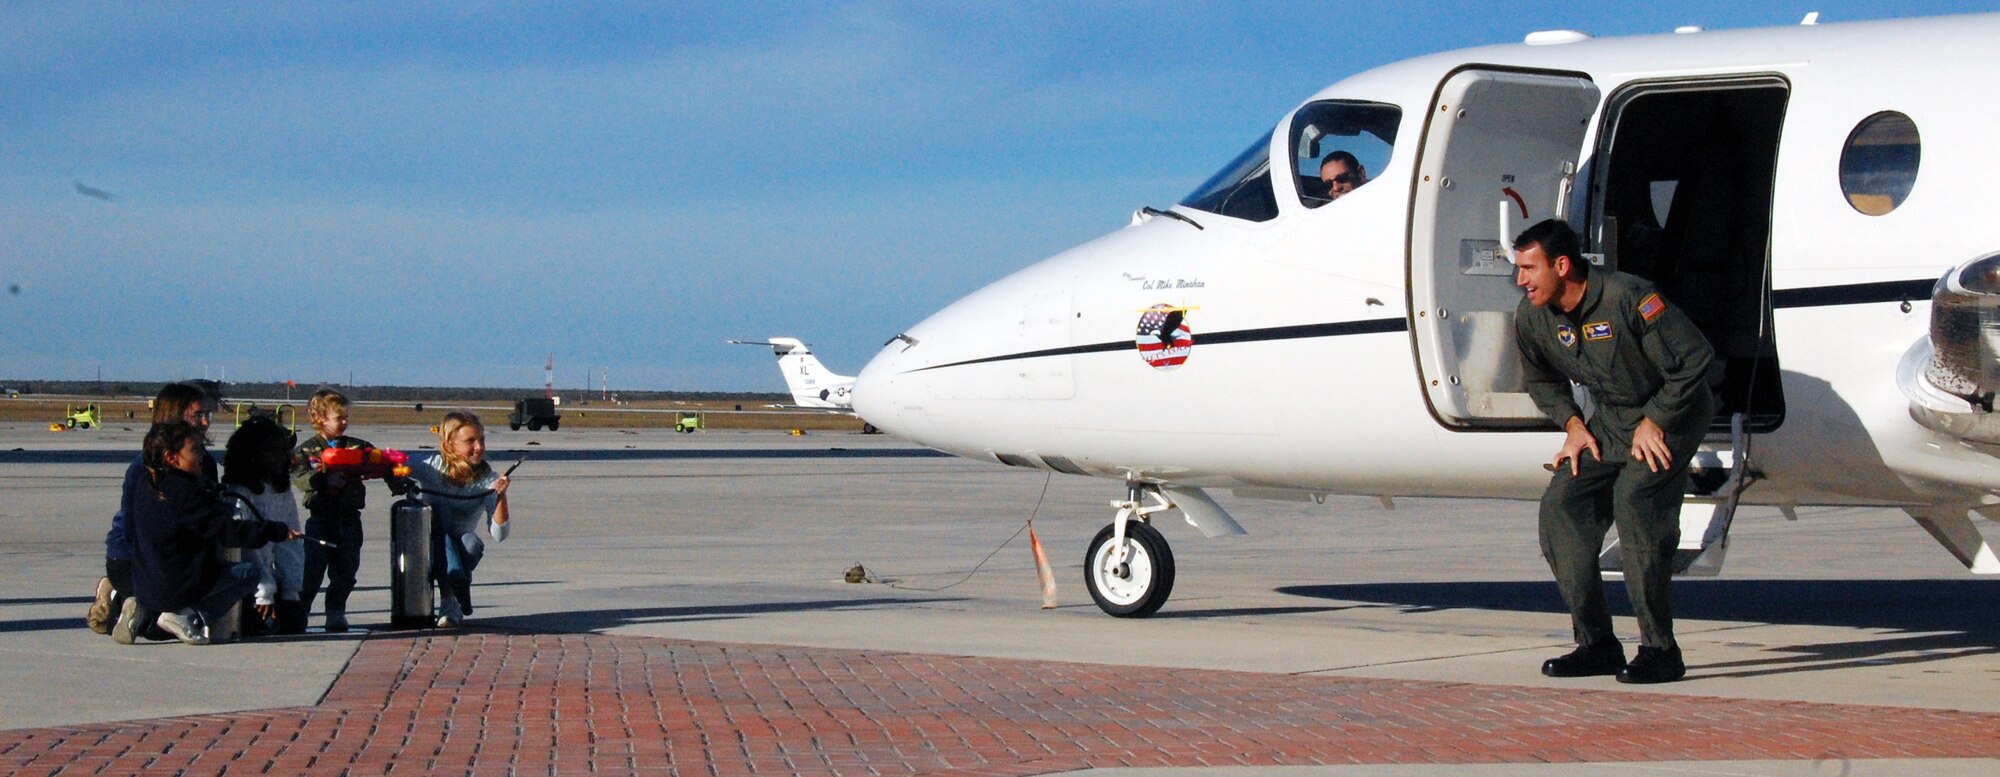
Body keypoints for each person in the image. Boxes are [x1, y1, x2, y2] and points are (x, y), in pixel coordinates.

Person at [1511, 218, 1717, 684]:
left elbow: (1694, 359)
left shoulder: (1628, 297)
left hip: (1674, 412)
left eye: (1529, 268)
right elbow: (1541, 379)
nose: (1520, 280)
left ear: (1562, 266)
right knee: (1563, 506)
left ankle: (1660, 650)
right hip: (1610, 419)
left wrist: (1656, 420)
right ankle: (1597, 644)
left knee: (1636, 501)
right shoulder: (1533, 316)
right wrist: (1572, 424)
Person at [116, 421, 299, 645]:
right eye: (195, 450)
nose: (202, 455)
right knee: (249, 574)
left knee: (162, 611)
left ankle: (142, 612)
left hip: (145, 582)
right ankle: (187, 615)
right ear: (172, 458)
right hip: (176, 585)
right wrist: (273, 531)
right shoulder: (185, 492)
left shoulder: (147, 484)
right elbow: (225, 532)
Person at [88, 382, 215, 637]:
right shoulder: (145, 465)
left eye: (207, 415)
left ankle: (133, 603)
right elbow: (130, 530)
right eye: (197, 415)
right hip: (136, 559)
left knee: (176, 621)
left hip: (177, 559)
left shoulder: (203, 463)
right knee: (162, 623)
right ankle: (116, 595)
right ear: (174, 416)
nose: (205, 423)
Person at [399, 410, 514, 627]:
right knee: (439, 519)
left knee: (471, 543)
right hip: (428, 543)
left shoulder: (487, 479)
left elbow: (499, 534)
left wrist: (501, 496)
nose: (478, 447)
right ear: (449, 445)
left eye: (481, 440)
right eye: (470, 441)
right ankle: (451, 595)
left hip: (463, 548)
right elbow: (395, 460)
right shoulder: (432, 466)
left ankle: (455, 587)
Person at [290, 389, 374, 633]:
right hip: (321, 519)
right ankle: (300, 611)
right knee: (312, 570)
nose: (344, 422)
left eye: (346, 417)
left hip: (349, 518)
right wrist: (323, 479)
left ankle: (336, 610)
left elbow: (378, 461)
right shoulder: (307, 451)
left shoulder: (357, 446)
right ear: (320, 419)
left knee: (346, 569)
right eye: (339, 418)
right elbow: (300, 477)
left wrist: (394, 475)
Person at [223, 415, 307, 635]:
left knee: (294, 624)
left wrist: (291, 591)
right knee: (253, 625)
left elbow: (291, 544)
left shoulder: (280, 491)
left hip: (272, 581)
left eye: (282, 451)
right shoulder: (238, 493)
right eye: (273, 452)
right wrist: (264, 592)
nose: (281, 458)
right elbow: (247, 550)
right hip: (248, 583)